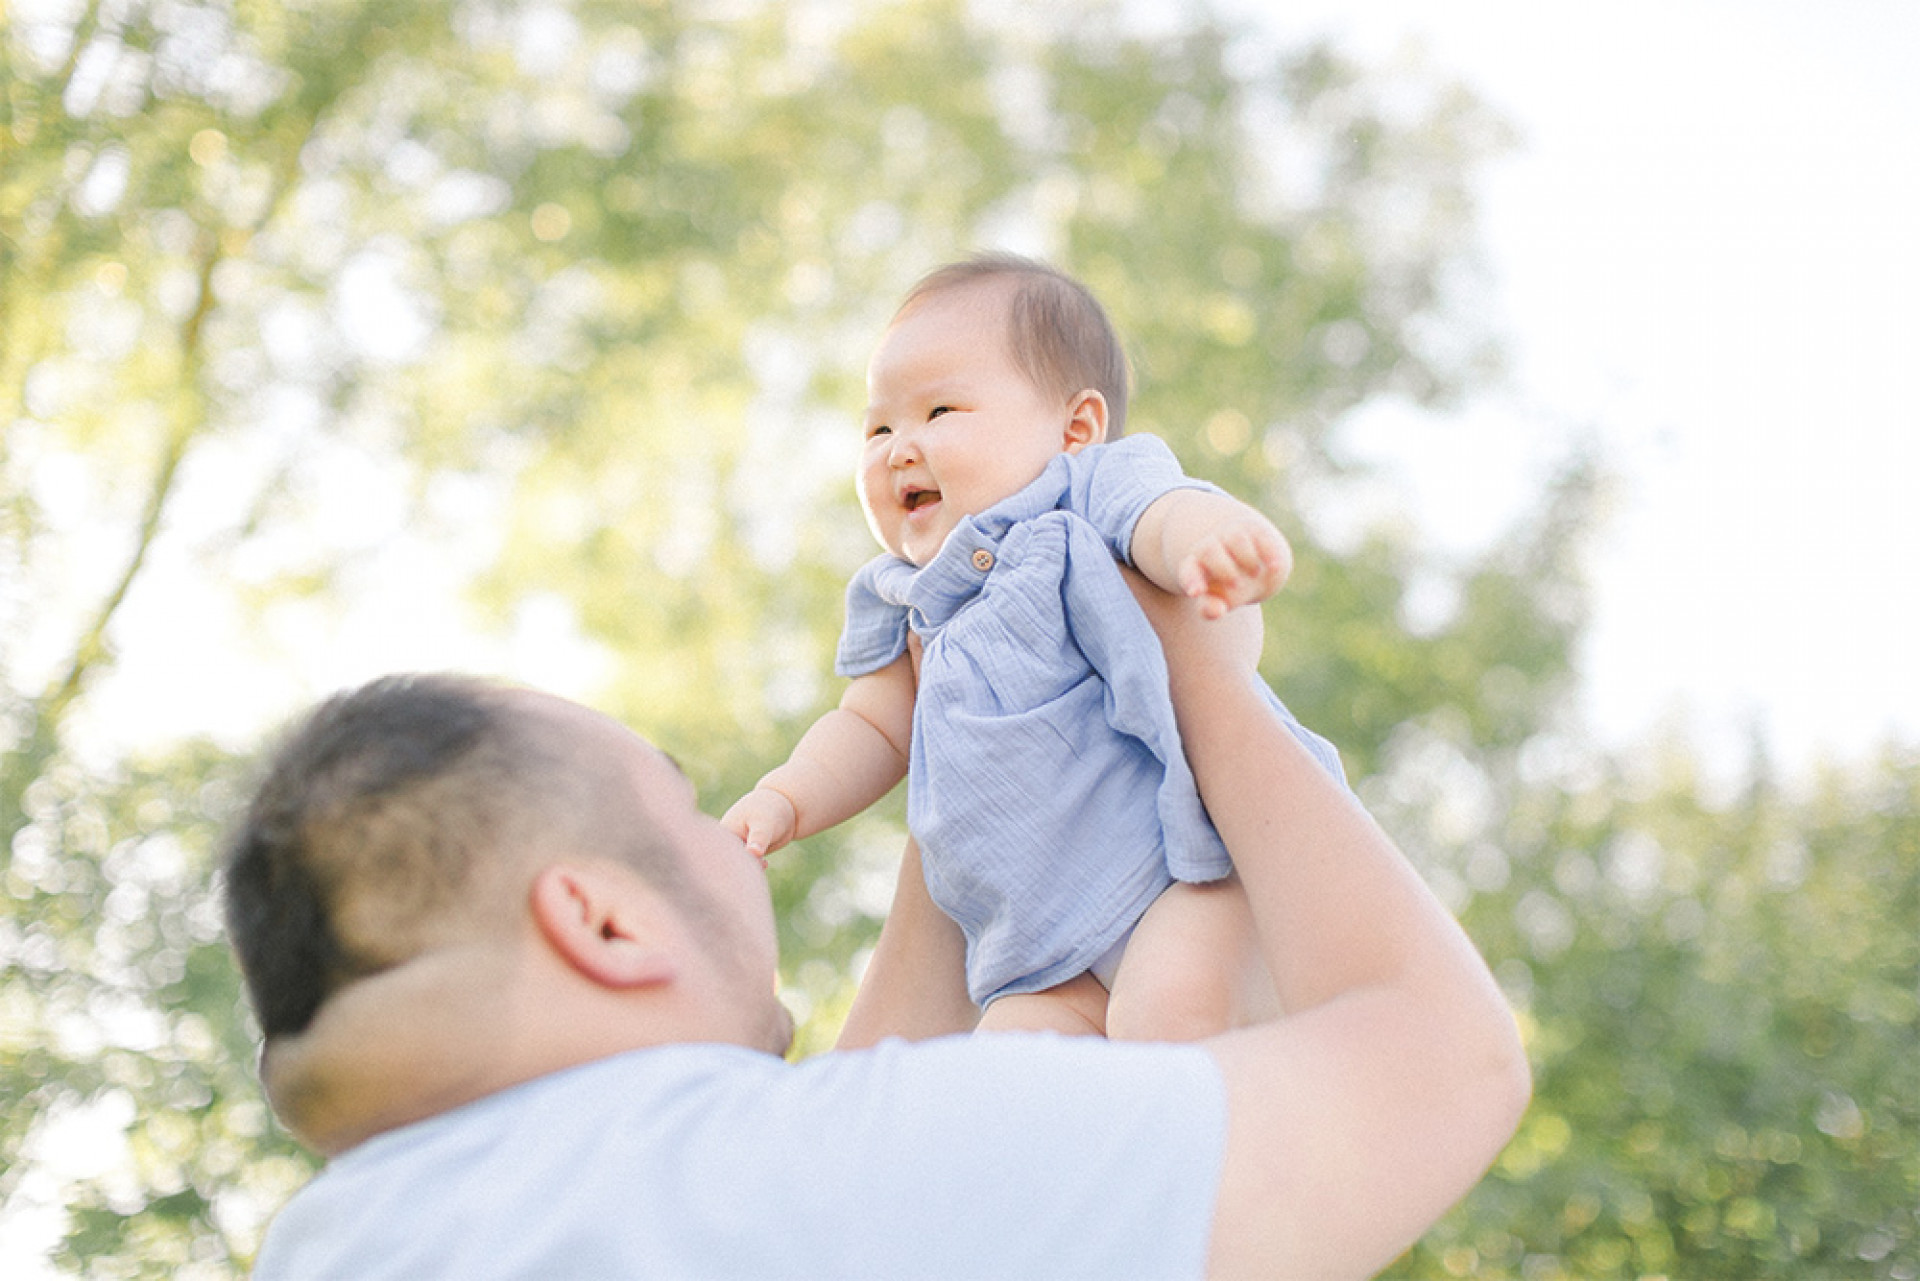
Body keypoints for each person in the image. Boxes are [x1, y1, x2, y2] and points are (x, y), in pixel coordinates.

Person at [223, 584, 1529, 1280]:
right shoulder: (821, 1184)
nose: (730, 837)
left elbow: (851, 1136)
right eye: (681, 801)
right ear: (605, 919)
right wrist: (1196, 670)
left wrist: (974, 771)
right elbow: (1440, 1062)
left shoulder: (333, 1244)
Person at [723, 254, 1344, 1041]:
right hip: (1033, 950)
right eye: (879, 427)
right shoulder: (898, 596)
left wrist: (1209, 543)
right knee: (1003, 1080)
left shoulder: (1080, 495)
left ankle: (1249, 1150)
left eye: (940, 411)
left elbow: (1161, 514)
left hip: (1174, 872)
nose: (898, 447)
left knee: (1171, 1016)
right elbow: (872, 727)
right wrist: (787, 795)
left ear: (1074, 430)